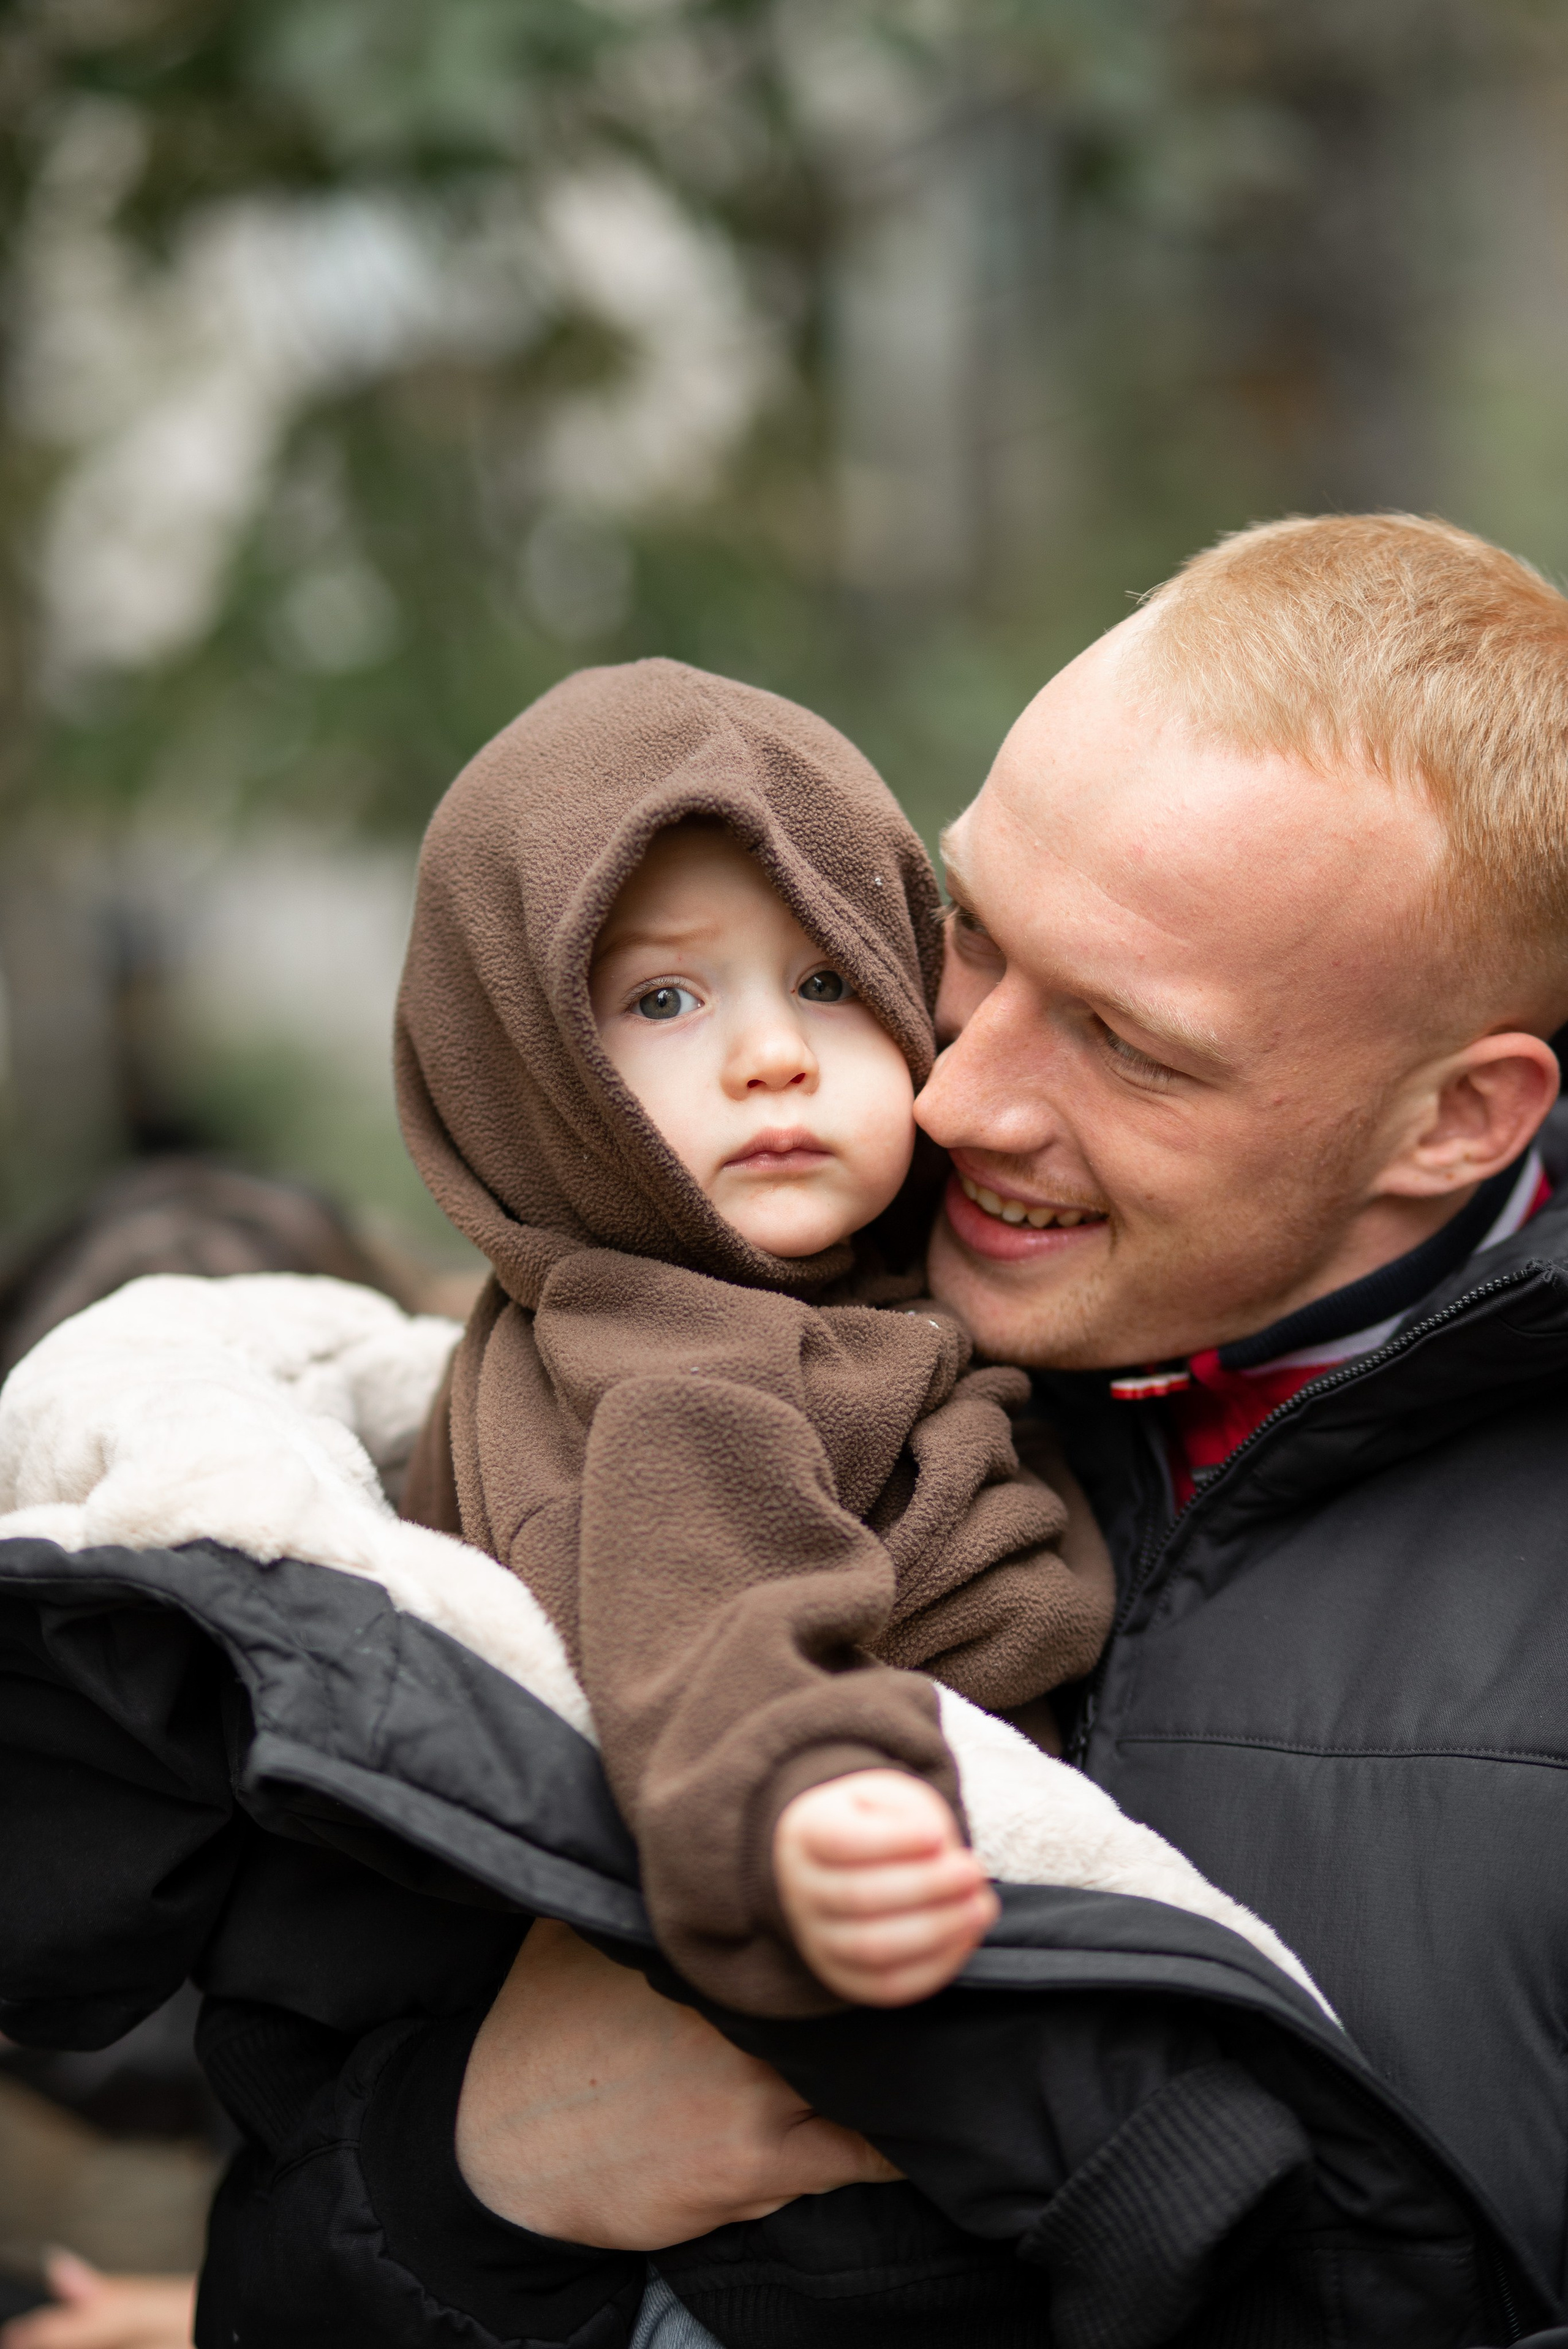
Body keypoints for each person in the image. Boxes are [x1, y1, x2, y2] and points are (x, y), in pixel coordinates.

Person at [1, 532, 1564, 2346]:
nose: (955, 1088)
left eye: (1130, 1043)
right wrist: (475, 2171)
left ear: (1454, 1119)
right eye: (970, 931)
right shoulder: (733, 1330)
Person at [392, 665, 1118, 2015]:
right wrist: (805, 1805)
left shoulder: (861, 1290)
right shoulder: (669, 1363)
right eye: (665, 1000)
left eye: (829, 977)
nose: (774, 1053)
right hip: (853, 1936)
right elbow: (707, 1632)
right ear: (525, 1071)